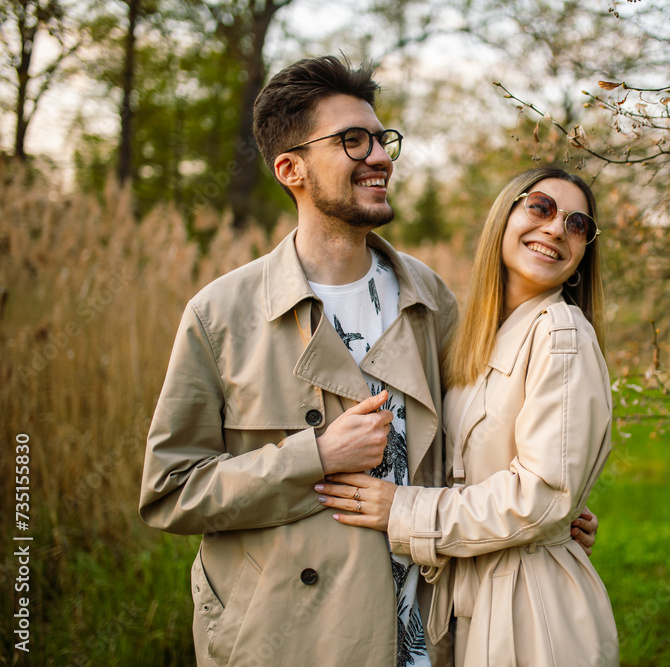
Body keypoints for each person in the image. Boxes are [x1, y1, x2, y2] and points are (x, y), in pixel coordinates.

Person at [138, 56, 597, 667]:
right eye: (352, 141)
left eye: (381, 139)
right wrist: (317, 456)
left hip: (421, 634)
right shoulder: (221, 314)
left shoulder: (430, 300)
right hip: (288, 638)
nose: (379, 156)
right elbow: (171, 491)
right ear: (290, 168)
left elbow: (473, 438)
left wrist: (544, 516)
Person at [316, 166, 619, 666]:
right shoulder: (472, 336)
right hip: (471, 595)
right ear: (505, 215)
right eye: (540, 207)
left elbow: (541, 494)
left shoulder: (560, 334)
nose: (556, 229)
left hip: (530, 614)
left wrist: (404, 509)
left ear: (584, 253)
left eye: (577, 224)